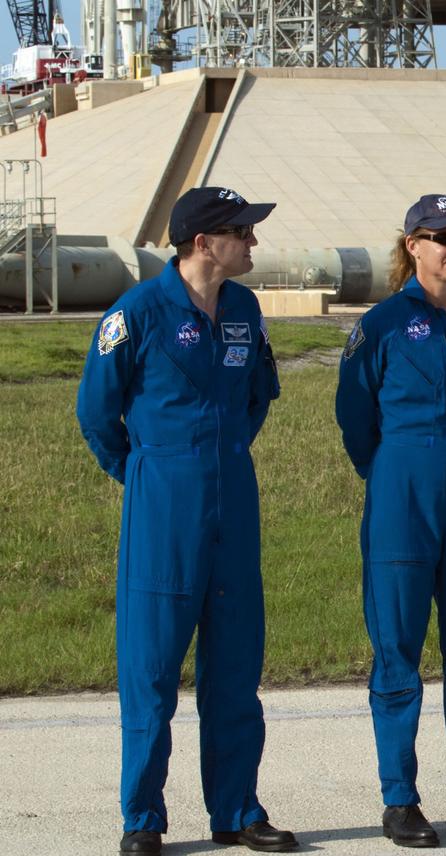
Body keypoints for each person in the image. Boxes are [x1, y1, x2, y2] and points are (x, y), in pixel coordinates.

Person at [77, 187, 295, 854]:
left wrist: (221, 455)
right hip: (162, 507)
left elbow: (259, 394)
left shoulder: (243, 309)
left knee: (234, 670)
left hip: (233, 497)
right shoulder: (135, 313)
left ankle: (236, 809)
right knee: (152, 671)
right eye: (242, 232)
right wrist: (148, 474)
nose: (252, 243)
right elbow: (96, 415)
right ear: (203, 243)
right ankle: (142, 819)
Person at [335, 194, 446, 848]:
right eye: (441, 238)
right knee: (398, 653)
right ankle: (399, 799)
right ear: (412, 244)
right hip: (400, 493)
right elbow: (356, 419)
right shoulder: (381, 325)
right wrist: (394, 471)